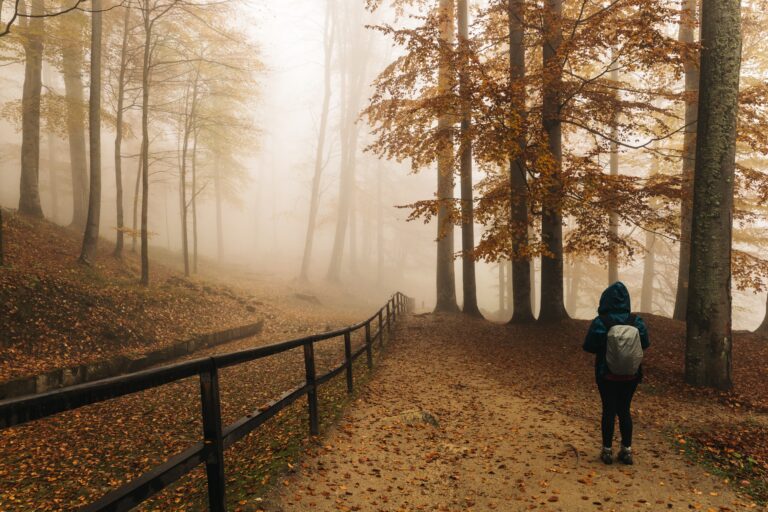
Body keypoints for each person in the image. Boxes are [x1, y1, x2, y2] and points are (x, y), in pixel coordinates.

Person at [583, 281, 650, 465]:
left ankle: (607, 451)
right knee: (624, 410)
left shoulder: (601, 322)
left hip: (606, 374)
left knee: (608, 410)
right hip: (631, 374)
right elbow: (645, 344)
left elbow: (588, 346)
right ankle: (626, 451)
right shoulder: (636, 321)